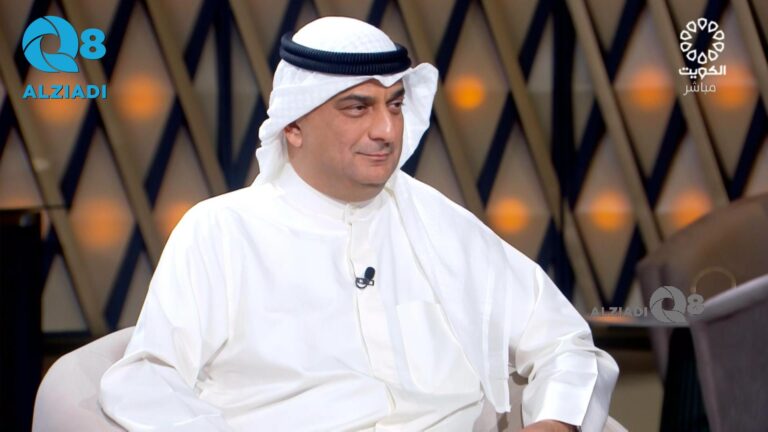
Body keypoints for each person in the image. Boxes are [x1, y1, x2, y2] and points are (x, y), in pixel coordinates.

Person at [99, 16, 618, 432]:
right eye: (357, 107)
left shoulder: (435, 220)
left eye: (395, 105)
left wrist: (553, 423)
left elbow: (564, 341)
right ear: (294, 125)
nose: (387, 130)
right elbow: (148, 379)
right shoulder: (221, 232)